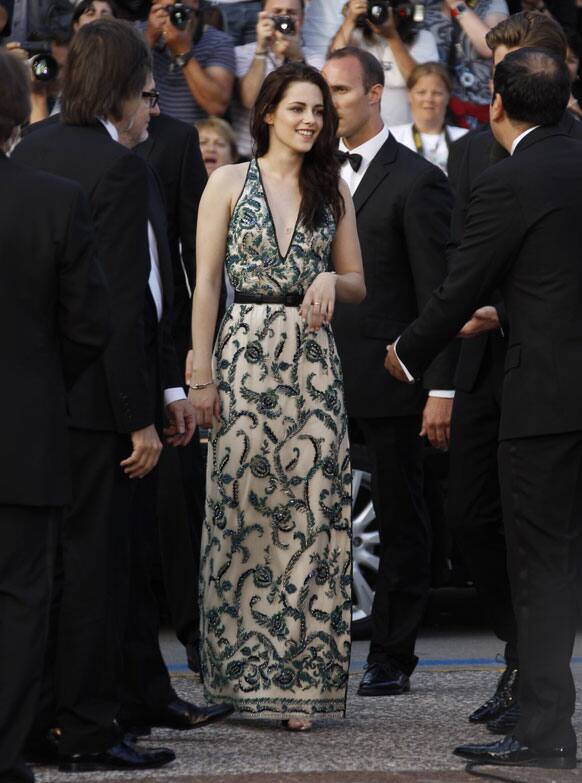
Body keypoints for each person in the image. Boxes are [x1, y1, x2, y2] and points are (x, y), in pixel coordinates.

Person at [12, 19, 222, 771]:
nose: (151, 107)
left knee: (52, 578)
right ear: (122, 89)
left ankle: (43, 719)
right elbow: (116, 308)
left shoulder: (30, 151)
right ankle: (88, 727)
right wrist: (139, 416)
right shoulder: (117, 168)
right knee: (96, 574)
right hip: (102, 411)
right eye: (144, 91)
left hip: (42, 406)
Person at [386, 46, 580, 771]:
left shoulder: (510, 179)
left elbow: (462, 283)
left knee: (539, 568)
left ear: (495, 102)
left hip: (543, 405)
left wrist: (408, 347)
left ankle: (545, 730)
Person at [190, 61, 365, 731]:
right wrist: (200, 374)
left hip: (314, 369)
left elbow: (358, 282)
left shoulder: (333, 190)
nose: (309, 120)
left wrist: (329, 280)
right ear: (267, 113)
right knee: (242, 517)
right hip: (243, 362)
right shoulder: (229, 182)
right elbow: (206, 286)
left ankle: (300, 683)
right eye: (297, 108)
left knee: (313, 519)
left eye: (318, 110)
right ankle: (240, 678)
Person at [443, 11, 582, 737]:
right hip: (484, 366)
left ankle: (538, 689)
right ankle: (527, 657)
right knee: (471, 515)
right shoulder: (469, 156)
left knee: (548, 544)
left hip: (550, 369)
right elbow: (458, 262)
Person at [322, 47, 455, 699]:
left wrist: (438, 387)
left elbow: (441, 297)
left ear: (377, 94)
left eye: (340, 92)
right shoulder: (308, 174)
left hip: (390, 383)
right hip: (317, 382)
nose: (328, 105)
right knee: (319, 519)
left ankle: (392, 654)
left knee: (402, 521)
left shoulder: (417, 181)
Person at [0, 50, 109, 783]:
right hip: (25, 436)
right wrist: (40, 385)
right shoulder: (55, 199)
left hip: (29, 429)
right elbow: (89, 328)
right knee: (18, 604)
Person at [136, 112, 208, 673]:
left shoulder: (175, 140)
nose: (152, 108)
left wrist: (194, 350)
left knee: (176, 501)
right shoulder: (50, 140)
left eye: (158, 95)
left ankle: (195, 637)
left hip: (168, 347)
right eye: (144, 96)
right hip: (91, 356)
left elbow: (195, 253)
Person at [231, 0, 323, 159]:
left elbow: (319, 104)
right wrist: (261, 50)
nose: (284, 18)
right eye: (277, 12)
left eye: (291, 13)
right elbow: (249, 100)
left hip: (296, 159)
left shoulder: (314, 59)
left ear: (302, 18)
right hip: (248, 156)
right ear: (262, 16)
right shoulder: (242, 53)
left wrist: (296, 58)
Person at [330, 0, 439, 127]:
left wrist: (391, 36)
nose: (381, 11)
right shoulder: (356, 37)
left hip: (406, 134)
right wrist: (350, 21)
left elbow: (420, 83)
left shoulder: (423, 38)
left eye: (389, 6)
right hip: (363, 133)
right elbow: (335, 65)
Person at [145, 0, 235, 124]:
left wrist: (183, 52)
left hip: (195, 138)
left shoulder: (218, 42)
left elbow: (216, 106)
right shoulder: (135, 33)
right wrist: (148, 40)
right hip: (146, 135)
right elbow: (118, 87)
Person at [424, 0, 508, 128]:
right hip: (435, 105)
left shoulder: (491, 3)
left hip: (481, 110)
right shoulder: (425, 5)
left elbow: (491, 46)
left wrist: (457, 4)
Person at [389, 62, 468, 174]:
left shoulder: (466, 139)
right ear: (409, 95)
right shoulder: (391, 138)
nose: (429, 99)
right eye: (421, 92)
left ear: (448, 96)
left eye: (437, 93)